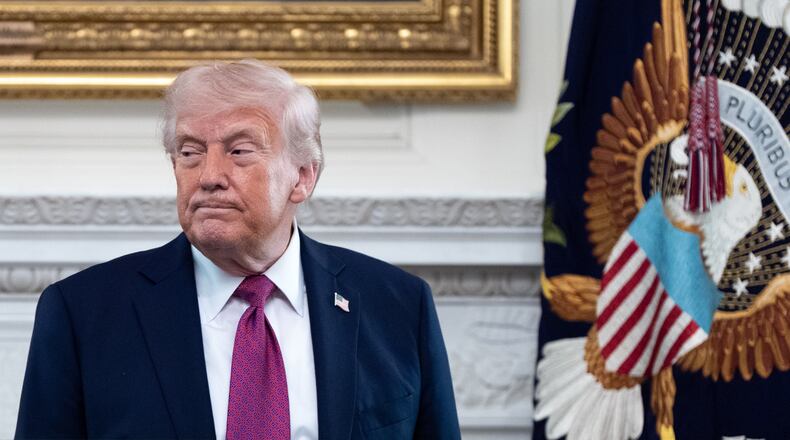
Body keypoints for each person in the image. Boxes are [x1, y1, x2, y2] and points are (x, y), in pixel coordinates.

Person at [15, 59, 461, 440]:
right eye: (189, 153)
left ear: (303, 176)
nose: (209, 175)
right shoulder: (83, 312)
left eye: (239, 151)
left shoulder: (398, 304)